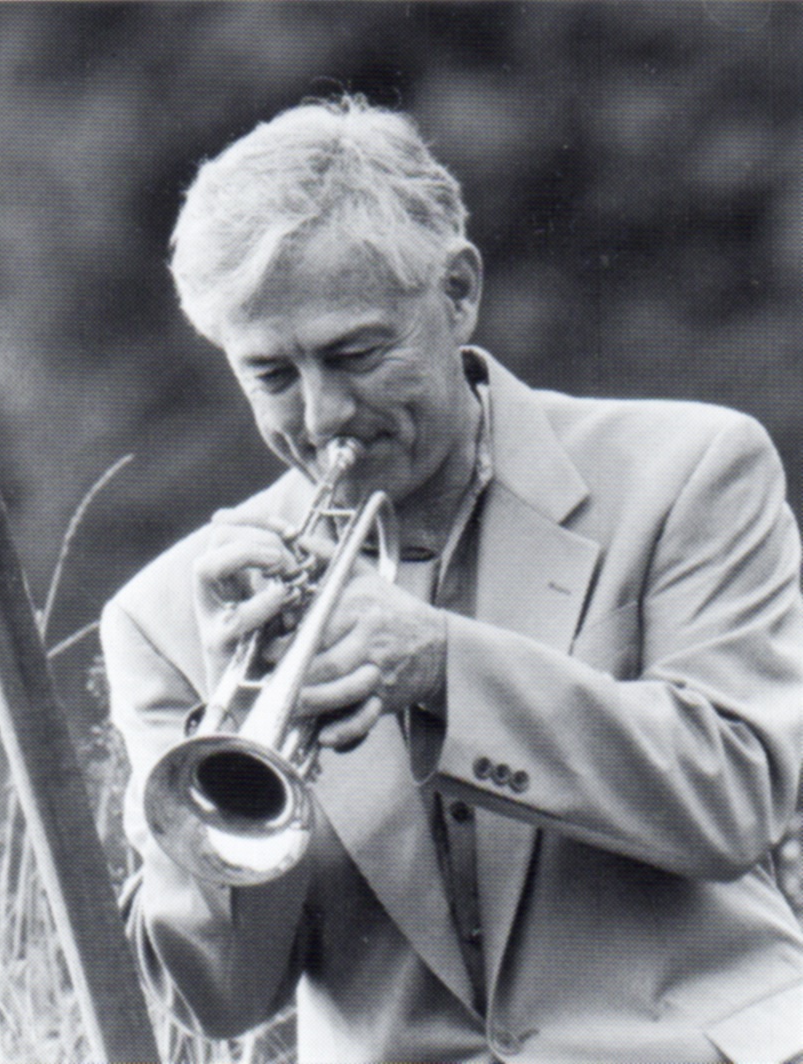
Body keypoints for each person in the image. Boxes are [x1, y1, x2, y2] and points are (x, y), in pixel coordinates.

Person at [101, 95, 803, 1064]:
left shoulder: (687, 470)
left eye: (355, 354)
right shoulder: (167, 615)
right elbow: (219, 1002)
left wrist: (442, 665)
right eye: (271, 375)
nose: (322, 416)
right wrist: (221, 736)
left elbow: (735, 800)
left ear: (459, 290)